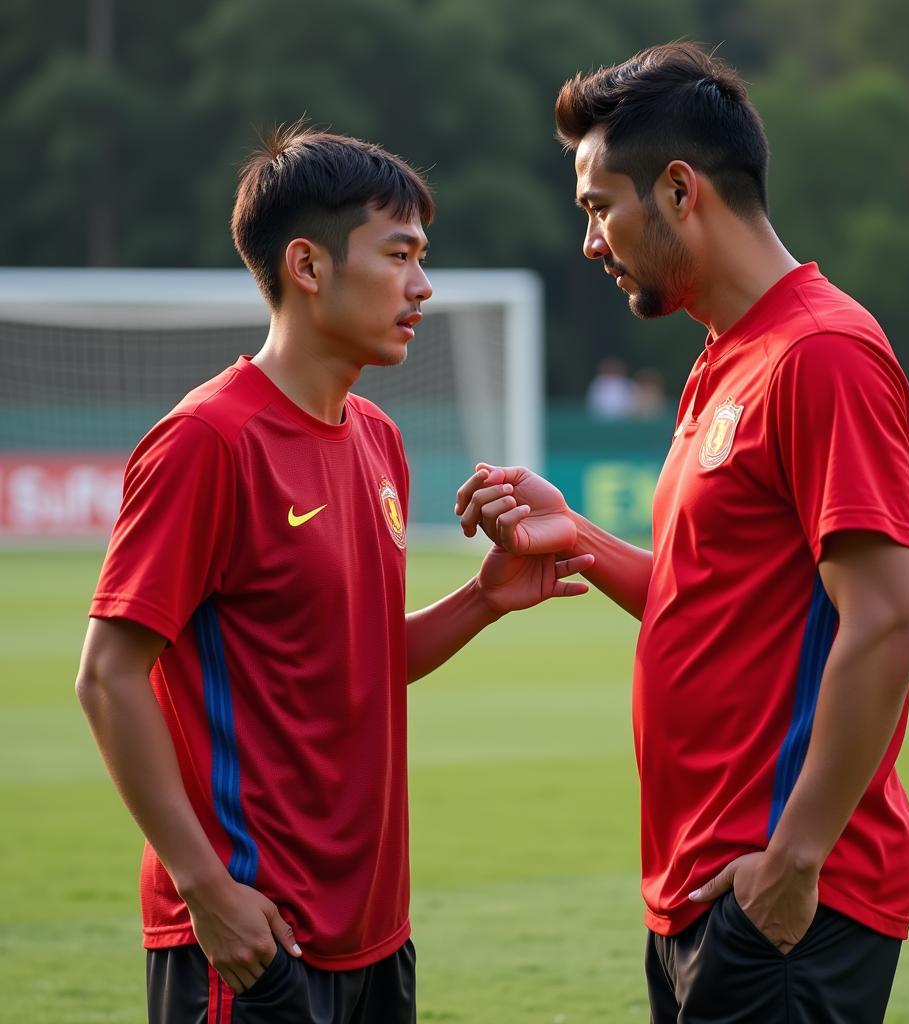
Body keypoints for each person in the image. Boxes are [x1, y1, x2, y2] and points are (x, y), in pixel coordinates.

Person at [75, 125, 593, 1024]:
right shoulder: (209, 441)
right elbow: (107, 676)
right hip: (251, 935)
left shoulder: (379, 440)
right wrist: (206, 892)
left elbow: (351, 660)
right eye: (399, 255)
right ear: (308, 266)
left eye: (422, 258)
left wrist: (481, 600)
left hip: (374, 934)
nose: (421, 286)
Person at [456, 41, 909, 1024]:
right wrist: (574, 536)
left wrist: (793, 862)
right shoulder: (725, 359)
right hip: (706, 888)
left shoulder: (822, 354)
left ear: (678, 190)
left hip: (789, 896)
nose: (589, 240)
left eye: (597, 205)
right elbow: (703, 596)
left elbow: (884, 624)